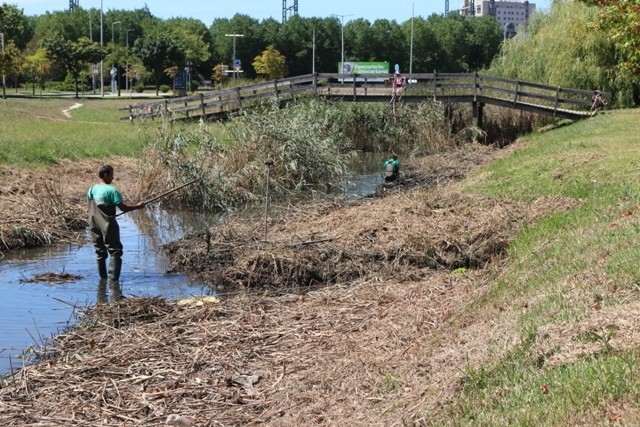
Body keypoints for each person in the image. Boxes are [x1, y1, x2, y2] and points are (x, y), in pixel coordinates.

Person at [87, 165, 144, 282]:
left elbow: (93, 208)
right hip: (108, 225)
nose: (113, 177)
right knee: (115, 251)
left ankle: (102, 281)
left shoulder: (91, 189)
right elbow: (123, 208)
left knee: (100, 252)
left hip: (94, 225)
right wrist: (138, 207)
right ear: (106, 175)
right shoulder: (112, 191)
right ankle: (113, 282)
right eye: (112, 174)